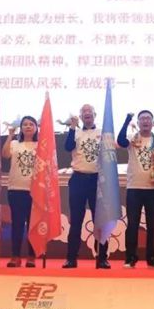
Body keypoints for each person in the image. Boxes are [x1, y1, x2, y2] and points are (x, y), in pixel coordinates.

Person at [63, 104, 110, 269]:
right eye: (84, 111)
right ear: (81, 116)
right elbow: (68, 147)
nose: (87, 113)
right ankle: (71, 258)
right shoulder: (75, 132)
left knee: (100, 220)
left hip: (98, 180)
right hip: (78, 179)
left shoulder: (103, 132)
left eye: (90, 111)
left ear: (95, 115)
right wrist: (72, 127)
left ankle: (102, 258)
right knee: (76, 220)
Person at [117, 110, 154, 268]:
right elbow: (120, 141)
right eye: (142, 119)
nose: (145, 121)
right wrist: (127, 119)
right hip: (134, 188)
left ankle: (152, 257)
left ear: (153, 122)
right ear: (138, 122)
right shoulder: (132, 139)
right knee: (133, 224)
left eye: (148, 118)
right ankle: (130, 257)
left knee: (153, 225)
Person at [2, 116, 38, 268]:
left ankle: (31, 256)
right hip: (16, 189)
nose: (28, 127)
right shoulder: (15, 144)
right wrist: (10, 135)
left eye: (31, 124)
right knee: (17, 224)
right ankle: (15, 256)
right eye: (25, 124)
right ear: (21, 128)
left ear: (36, 128)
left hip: (35, 191)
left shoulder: (40, 145)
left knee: (32, 225)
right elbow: (5, 154)